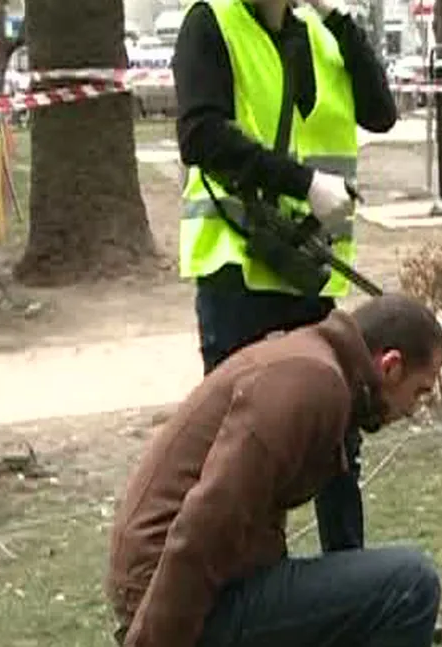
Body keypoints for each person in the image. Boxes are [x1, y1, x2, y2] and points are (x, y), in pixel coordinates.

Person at [171, 0, 399, 621]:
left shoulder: (324, 36)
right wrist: (303, 183)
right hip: (236, 270)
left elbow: (382, 112)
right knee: (237, 452)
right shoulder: (211, 22)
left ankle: (352, 597)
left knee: (334, 440)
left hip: (308, 269)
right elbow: (200, 135)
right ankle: (233, 604)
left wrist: (341, 18)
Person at [106, 294, 442, 647]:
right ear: (390, 365)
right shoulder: (311, 382)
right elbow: (208, 519)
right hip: (168, 590)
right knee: (410, 584)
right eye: (418, 392)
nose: (412, 410)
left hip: (198, 579)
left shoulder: (318, 368)